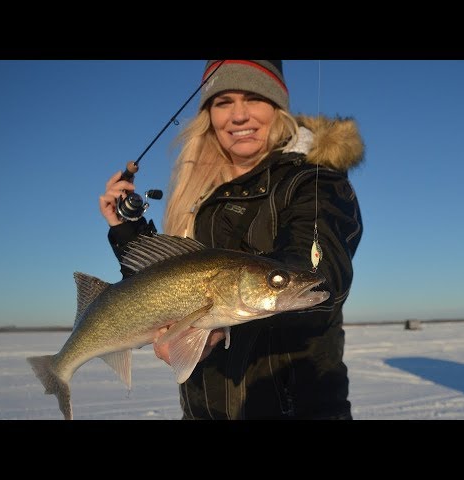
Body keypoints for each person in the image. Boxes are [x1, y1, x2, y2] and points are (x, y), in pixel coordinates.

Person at [99, 60, 364, 420]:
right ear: (209, 116)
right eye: (223, 102)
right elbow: (169, 281)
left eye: (254, 98)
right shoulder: (200, 198)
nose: (238, 116)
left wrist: (228, 313)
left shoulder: (313, 182)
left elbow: (321, 269)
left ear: (277, 107)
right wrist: (127, 232)